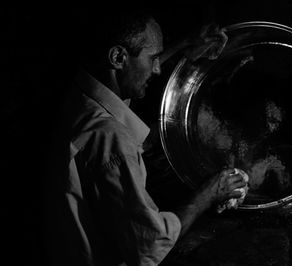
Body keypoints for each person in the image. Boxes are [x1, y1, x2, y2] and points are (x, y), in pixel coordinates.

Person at [43, 10, 247, 266]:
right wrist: (209, 194)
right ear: (118, 56)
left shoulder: (79, 94)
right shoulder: (109, 137)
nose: (158, 69)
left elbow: (120, 86)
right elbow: (149, 244)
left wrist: (183, 46)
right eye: (153, 58)